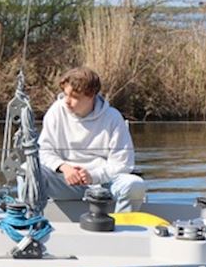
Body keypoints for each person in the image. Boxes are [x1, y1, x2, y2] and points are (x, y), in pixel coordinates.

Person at [38, 67, 146, 212]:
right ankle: (31, 220)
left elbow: (123, 164)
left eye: (74, 97)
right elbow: (44, 152)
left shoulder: (113, 118)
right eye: (65, 94)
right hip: (65, 182)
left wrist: (92, 176)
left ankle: (121, 224)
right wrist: (64, 167)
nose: (67, 101)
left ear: (91, 96)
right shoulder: (56, 111)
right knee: (27, 171)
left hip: (105, 186)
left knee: (135, 185)